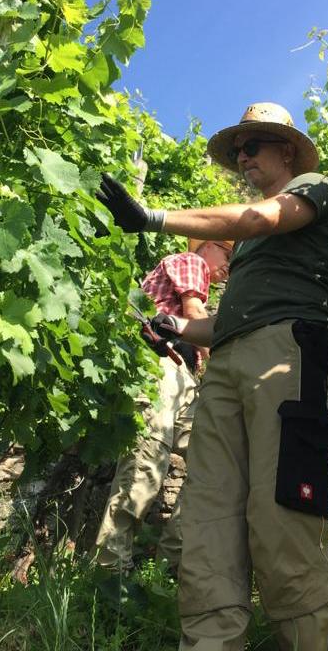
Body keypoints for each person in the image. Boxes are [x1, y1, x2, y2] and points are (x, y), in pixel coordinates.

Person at [96, 102, 328, 651]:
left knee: (281, 516)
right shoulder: (248, 251)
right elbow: (225, 324)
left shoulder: (315, 188)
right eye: (237, 151)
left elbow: (260, 216)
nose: (241, 158)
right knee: (206, 521)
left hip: (285, 355)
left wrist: (153, 217)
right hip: (229, 363)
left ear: (285, 150)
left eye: (251, 146)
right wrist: (174, 326)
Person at [94, 239, 232, 572]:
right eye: (227, 254)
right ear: (208, 246)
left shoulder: (199, 277)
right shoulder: (191, 261)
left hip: (181, 375)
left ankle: (170, 564)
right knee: (146, 462)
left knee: (215, 460)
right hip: (159, 365)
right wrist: (226, 367)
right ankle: (110, 574)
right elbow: (194, 316)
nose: (229, 265)